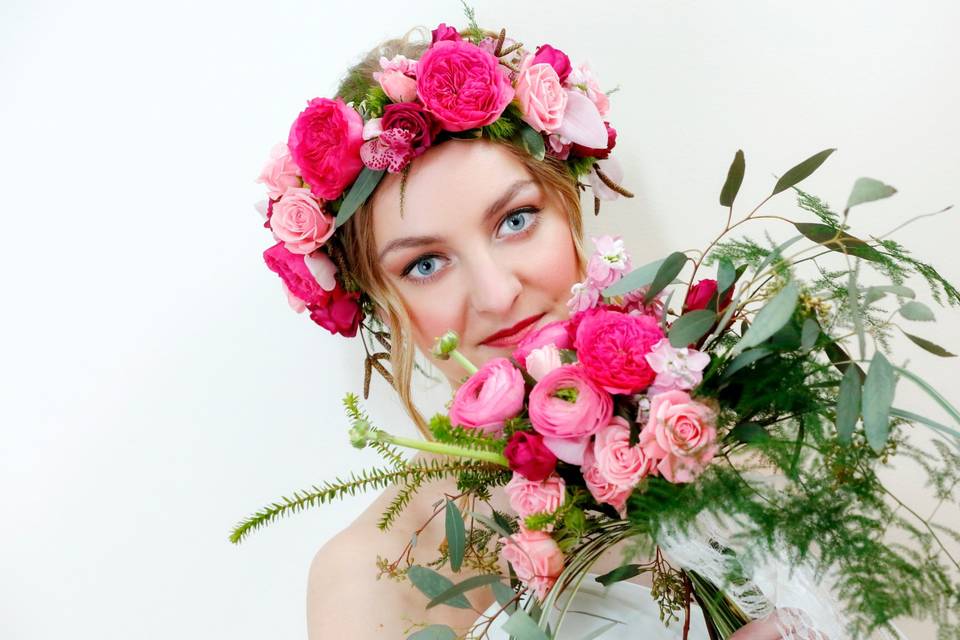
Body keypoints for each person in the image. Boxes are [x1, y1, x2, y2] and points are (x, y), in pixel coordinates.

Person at [256, 22, 830, 640]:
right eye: (425, 264)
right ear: (379, 303)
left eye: (516, 219)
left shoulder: (746, 450)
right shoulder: (371, 576)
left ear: (569, 208)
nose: (498, 292)